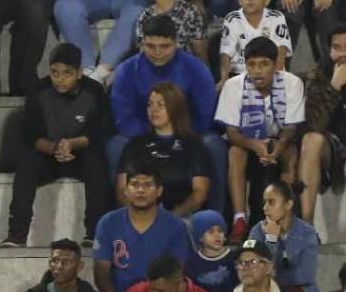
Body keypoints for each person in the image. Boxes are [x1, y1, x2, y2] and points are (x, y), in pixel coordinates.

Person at [108, 15, 227, 211]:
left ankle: (216, 219)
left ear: (176, 43)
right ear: (142, 43)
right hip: (141, 136)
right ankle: (122, 215)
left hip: (189, 134)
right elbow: (123, 117)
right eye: (151, 46)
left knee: (214, 144)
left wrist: (177, 135)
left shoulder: (196, 69)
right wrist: (153, 135)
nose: (157, 52)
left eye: (164, 46)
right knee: (116, 145)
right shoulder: (126, 71)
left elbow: (205, 114)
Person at [2, 43, 111, 248]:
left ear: (79, 73)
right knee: (26, 161)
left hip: (80, 154)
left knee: (97, 160)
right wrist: (56, 149)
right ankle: (17, 233)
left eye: (67, 73)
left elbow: (100, 131)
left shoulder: (93, 91)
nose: (60, 79)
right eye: (55, 72)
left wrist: (71, 144)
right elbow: (30, 134)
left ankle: (94, 232)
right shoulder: (39, 90)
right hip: (49, 155)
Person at [216, 37, 305, 242]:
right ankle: (239, 219)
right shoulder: (233, 85)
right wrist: (255, 145)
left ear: (276, 66)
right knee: (234, 151)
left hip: (279, 140)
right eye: (252, 65)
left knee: (290, 152)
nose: (257, 71)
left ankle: (284, 218)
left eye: (264, 64)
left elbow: (291, 128)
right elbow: (232, 132)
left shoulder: (292, 83)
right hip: (246, 142)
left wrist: (277, 147)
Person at [92, 164, 192, 292]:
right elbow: (101, 270)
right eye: (134, 184)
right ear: (125, 190)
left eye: (147, 185)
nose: (140, 190)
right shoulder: (108, 222)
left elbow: (177, 271)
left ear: (159, 191)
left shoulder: (175, 225)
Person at [114, 82, 212, 216]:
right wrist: (139, 214)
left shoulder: (194, 145)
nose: (153, 110)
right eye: (150, 104)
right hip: (139, 215)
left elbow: (200, 193)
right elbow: (121, 189)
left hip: (181, 216)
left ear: (175, 108)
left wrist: (171, 218)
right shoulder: (136, 144)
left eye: (161, 105)